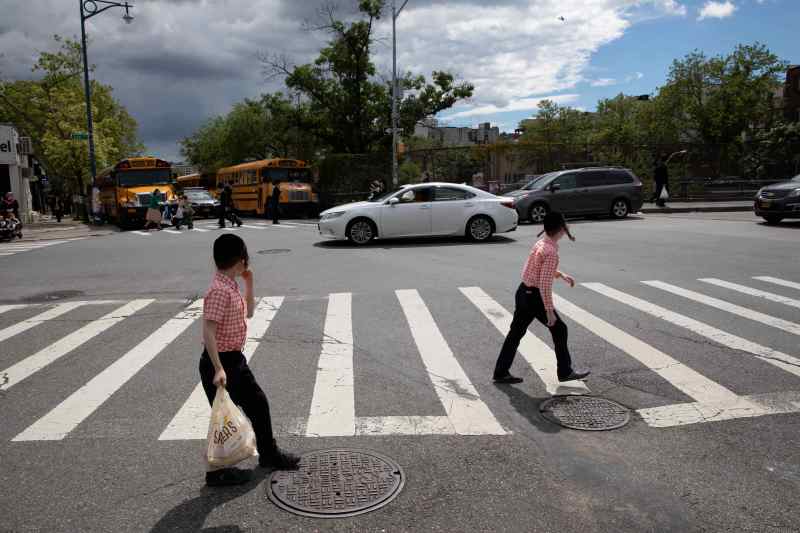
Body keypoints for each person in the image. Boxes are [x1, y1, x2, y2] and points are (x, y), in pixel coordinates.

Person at [200, 234, 300, 486]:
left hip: (233, 360)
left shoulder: (230, 285)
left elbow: (251, 312)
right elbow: (208, 331)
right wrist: (219, 368)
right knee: (230, 415)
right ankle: (223, 470)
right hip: (222, 362)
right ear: (242, 259)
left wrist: (250, 283)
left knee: (250, 407)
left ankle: (263, 456)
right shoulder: (219, 291)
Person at [492, 212, 590, 384]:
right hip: (534, 297)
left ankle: (500, 372)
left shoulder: (541, 243)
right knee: (560, 329)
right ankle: (565, 371)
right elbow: (544, 285)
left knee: (515, 333)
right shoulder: (551, 252)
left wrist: (561, 275)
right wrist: (549, 311)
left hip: (523, 292)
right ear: (561, 230)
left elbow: (536, 271)